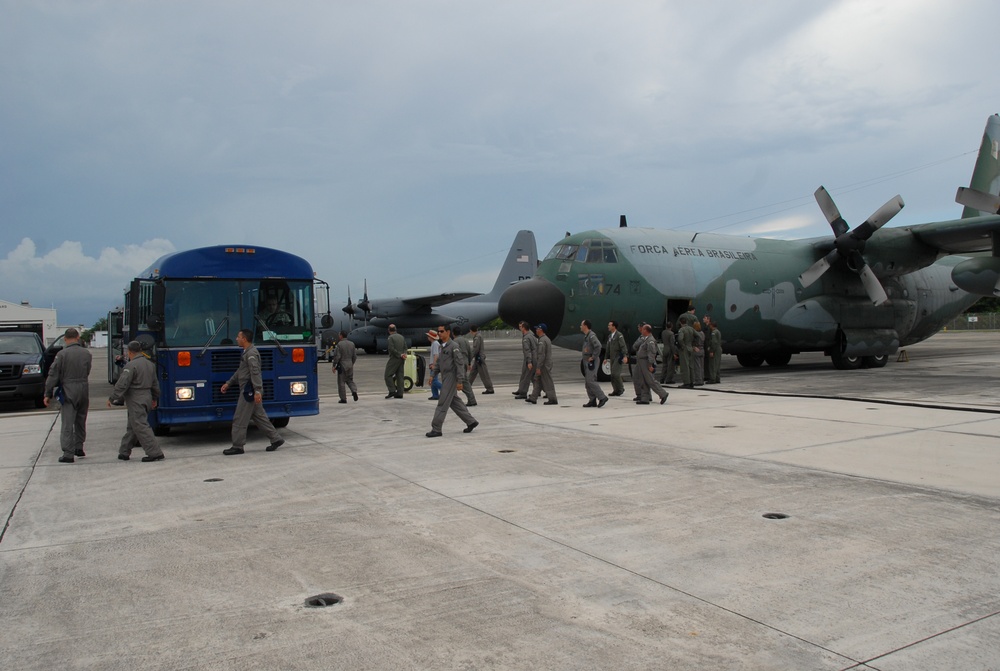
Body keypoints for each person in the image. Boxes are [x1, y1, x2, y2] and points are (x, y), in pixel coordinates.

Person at [220, 328, 284, 455]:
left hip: (248, 392)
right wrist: (229, 383)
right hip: (250, 391)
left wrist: (257, 391)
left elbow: (255, 373)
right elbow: (240, 371)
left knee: (239, 418)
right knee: (260, 417)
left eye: (238, 337)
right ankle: (276, 439)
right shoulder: (246, 353)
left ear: (244, 339)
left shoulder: (251, 354)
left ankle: (238, 446)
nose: (236, 339)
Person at [107, 340, 164, 461]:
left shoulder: (131, 366)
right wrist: (154, 398)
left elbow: (122, 384)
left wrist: (113, 397)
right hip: (147, 396)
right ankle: (124, 451)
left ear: (130, 352)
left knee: (140, 426)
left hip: (136, 398)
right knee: (133, 426)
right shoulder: (150, 364)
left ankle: (155, 452)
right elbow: (155, 384)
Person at [43, 328, 92, 463]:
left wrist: (48, 393)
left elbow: (53, 375)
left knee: (67, 422)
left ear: (65, 339)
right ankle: (79, 447)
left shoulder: (62, 354)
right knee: (81, 420)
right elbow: (87, 370)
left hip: (68, 388)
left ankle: (68, 453)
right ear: (78, 337)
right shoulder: (86, 353)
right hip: (83, 387)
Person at [426, 324, 478, 437]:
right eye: (438, 331)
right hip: (445, 377)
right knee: (455, 402)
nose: (439, 333)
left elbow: (460, 364)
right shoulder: (442, 346)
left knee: (442, 403)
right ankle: (471, 421)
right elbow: (439, 363)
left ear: (448, 332)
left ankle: (436, 428)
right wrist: (432, 375)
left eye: (441, 331)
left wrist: (459, 381)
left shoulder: (454, 346)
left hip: (451, 377)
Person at [635, 324, 669, 405]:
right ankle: (645, 398)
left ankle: (663, 393)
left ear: (646, 331)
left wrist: (650, 365)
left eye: (643, 329)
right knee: (643, 380)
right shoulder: (645, 339)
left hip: (646, 362)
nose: (641, 331)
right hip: (641, 362)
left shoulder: (650, 340)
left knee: (650, 380)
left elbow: (652, 353)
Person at [527, 323, 558, 405]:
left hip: (544, 365)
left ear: (541, 330)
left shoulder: (542, 340)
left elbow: (541, 355)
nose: (536, 330)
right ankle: (533, 397)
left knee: (547, 381)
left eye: (537, 329)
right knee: (537, 380)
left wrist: (538, 367)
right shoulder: (545, 339)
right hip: (545, 363)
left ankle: (553, 399)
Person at [580, 320, 608, 408]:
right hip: (586, 360)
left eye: (581, 325)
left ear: (585, 326)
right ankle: (592, 400)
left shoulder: (591, 336)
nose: (580, 326)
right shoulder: (586, 336)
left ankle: (602, 397)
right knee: (587, 382)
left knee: (591, 380)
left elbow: (598, 346)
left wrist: (593, 357)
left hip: (591, 361)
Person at [452, 326, 477, 406]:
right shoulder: (465, 340)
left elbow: (455, 354)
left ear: (453, 333)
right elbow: (470, 352)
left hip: (459, 363)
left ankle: (471, 400)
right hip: (465, 362)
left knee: (463, 382)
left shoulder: (455, 341)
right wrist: (469, 363)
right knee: (463, 381)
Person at [467, 325, 495, 394]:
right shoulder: (478, 336)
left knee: (484, 374)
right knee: (472, 373)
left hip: (479, 359)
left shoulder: (477, 337)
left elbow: (475, 349)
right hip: (478, 358)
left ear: (471, 330)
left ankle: (490, 388)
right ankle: (467, 386)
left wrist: (469, 359)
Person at [332, 331, 358, 403]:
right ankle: (354, 391)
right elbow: (354, 356)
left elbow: (337, 356)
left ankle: (343, 398)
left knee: (341, 382)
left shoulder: (339, 344)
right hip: (350, 364)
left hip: (342, 365)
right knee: (350, 380)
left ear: (341, 336)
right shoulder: (352, 344)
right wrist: (351, 363)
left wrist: (334, 365)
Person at [514, 321, 536, 399]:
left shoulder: (526, 337)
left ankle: (523, 393)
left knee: (527, 376)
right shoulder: (532, 335)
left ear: (524, 328)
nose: (519, 328)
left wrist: (529, 361)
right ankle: (536, 391)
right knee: (530, 376)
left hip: (530, 358)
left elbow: (527, 350)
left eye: (520, 327)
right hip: (534, 357)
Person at [384, 324, 407, 399]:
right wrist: (403, 354)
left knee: (387, 375)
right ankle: (400, 393)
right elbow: (405, 347)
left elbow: (391, 348)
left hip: (394, 358)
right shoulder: (401, 337)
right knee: (400, 375)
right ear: (396, 329)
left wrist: (399, 354)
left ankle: (392, 390)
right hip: (402, 358)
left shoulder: (390, 338)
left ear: (389, 330)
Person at [604, 321, 627, 397]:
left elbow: (623, 346)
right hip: (612, 357)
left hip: (618, 356)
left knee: (615, 374)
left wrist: (624, 355)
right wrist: (605, 358)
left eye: (609, 325)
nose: (608, 326)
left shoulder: (619, 335)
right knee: (612, 375)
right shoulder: (610, 336)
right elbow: (608, 347)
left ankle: (621, 388)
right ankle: (615, 390)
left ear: (614, 326)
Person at [677, 315, 696, 389]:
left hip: (684, 348)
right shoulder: (691, 328)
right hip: (690, 347)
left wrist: (682, 346)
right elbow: (698, 335)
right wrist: (694, 345)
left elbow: (680, 339)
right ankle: (692, 382)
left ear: (680, 322)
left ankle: (686, 382)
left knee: (685, 366)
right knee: (691, 366)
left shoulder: (682, 330)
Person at [426, 330, 442, 400]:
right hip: (433, 364)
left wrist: (434, 364)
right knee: (433, 380)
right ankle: (435, 395)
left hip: (434, 364)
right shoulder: (435, 343)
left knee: (433, 380)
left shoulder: (435, 344)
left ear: (430, 337)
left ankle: (444, 390)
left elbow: (436, 355)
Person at [707, 320, 723, 384]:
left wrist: (711, 351)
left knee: (713, 364)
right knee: (717, 364)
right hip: (719, 348)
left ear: (712, 326)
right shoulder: (718, 331)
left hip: (715, 349)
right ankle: (717, 378)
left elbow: (714, 342)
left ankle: (713, 379)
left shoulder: (713, 332)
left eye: (710, 325)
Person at [693, 321, 706, 386]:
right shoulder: (702, 333)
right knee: (701, 366)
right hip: (702, 349)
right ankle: (702, 379)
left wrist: (693, 347)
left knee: (697, 366)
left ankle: (698, 380)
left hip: (697, 349)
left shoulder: (695, 334)